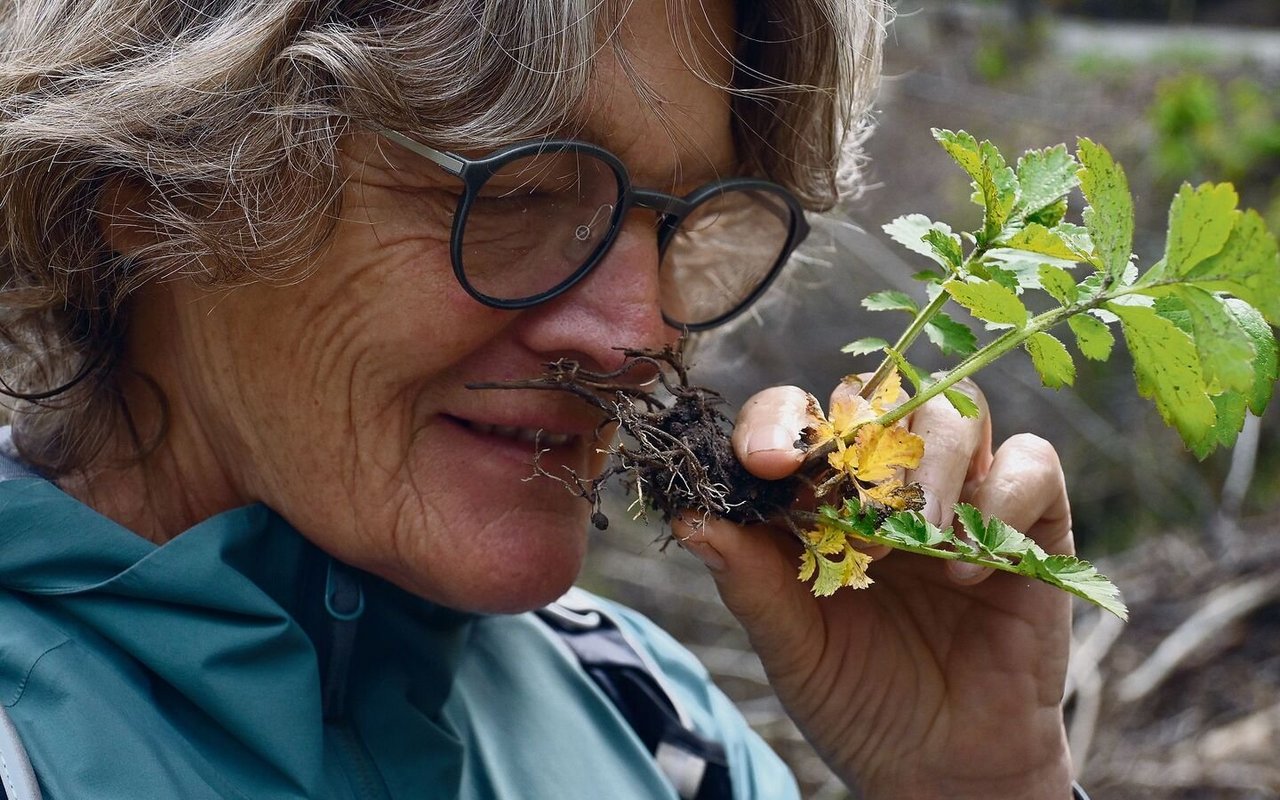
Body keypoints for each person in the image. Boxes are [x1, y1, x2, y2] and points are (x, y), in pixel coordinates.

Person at [0, 1, 1081, 798]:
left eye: (677, 219)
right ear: (145, 186)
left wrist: (978, 781)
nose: (641, 331)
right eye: (512, 190)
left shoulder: (657, 729)